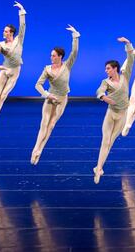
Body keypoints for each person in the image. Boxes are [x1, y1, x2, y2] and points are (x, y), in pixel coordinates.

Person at [31, 25, 80, 165]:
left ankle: (40, 149)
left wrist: (75, 35)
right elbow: (38, 85)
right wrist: (47, 95)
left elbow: (75, 52)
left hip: (62, 98)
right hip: (50, 98)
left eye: (53, 55)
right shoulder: (47, 69)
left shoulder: (67, 65)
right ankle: (35, 149)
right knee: (44, 123)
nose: (51, 57)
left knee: (51, 125)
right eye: (51, 55)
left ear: (60, 56)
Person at [94, 37, 135, 184]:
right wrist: (104, 98)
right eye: (105, 69)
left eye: (108, 68)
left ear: (115, 68)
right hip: (111, 114)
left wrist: (128, 43)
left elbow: (130, 58)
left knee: (110, 142)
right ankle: (99, 169)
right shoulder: (106, 82)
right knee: (105, 141)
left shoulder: (125, 76)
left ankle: (98, 167)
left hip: (122, 114)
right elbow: (99, 91)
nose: (106, 71)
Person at [0, 1, 26, 132]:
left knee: (3, 96)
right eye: (4, 31)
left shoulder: (19, 40)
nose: (4, 32)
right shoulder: (1, 44)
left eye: (6, 31)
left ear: (11, 33)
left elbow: (23, 25)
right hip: (4, 70)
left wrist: (21, 11)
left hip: (15, 71)